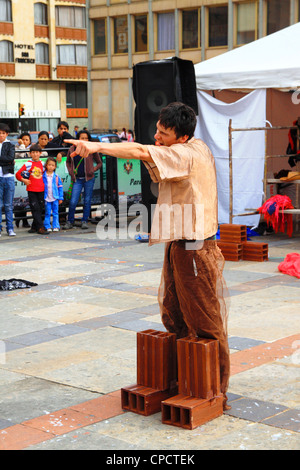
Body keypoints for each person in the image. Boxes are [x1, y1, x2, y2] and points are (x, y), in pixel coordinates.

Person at [65, 102, 230, 410]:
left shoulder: (186, 153)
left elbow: (141, 152)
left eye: (163, 133)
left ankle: (214, 388)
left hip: (194, 246)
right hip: (180, 243)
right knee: (173, 312)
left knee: (205, 322)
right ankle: (185, 379)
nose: (156, 137)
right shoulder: (195, 146)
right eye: (157, 130)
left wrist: (95, 147)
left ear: (181, 137)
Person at [64, 130, 102, 230]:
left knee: (87, 200)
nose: (84, 140)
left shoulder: (91, 149)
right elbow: (68, 162)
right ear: (78, 139)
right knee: (73, 201)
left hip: (89, 178)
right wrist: (71, 171)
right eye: (82, 138)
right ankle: (70, 221)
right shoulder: (72, 149)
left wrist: (93, 169)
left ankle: (84, 221)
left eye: (86, 138)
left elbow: (99, 163)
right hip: (77, 179)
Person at [16, 143, 49, 235]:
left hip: (42, 190)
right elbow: (18, 174)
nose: (35, 154)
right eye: (33, 152)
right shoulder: (27, 164)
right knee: (35, 208)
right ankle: (40, 228)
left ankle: (34, 227)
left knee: (40, 209)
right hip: (31, 190)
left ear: (40, 153)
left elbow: (48, 175)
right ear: (30, 153)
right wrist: (24, 180)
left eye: (37, 152)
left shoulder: (43, 164)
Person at [0, 123, 16, 237]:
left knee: (8, 205)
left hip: (8, 177)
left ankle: (10, 228)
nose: (1, 135)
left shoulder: (10, 145)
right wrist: (6, 160)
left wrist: (6, 160)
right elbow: (8, 160)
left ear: (7, 134)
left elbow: (11, 158)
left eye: (3, 133)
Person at [43, 157, 64, 232]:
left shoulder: (56, 177)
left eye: (52, 165)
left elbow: (60, 187)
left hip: (55, 198)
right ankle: (47, 226)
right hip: (47, 198)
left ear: (55, 166)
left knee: (55, 213)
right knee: (47, 213)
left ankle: (56, 226)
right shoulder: (43, 176)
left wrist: (60, 197)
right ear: (46, 165)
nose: (51, 167)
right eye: (49, 165)